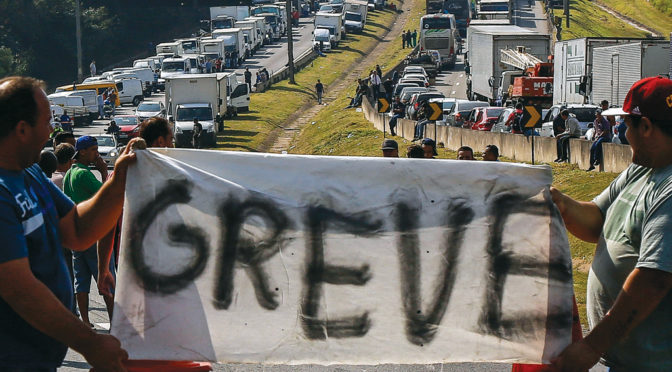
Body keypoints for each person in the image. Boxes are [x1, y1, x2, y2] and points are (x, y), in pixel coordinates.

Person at [0, 76, 129, 371]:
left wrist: (119, 180)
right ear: (21, 129)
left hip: (38, 360)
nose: (52, 133)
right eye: (47, 123)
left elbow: (78, 231)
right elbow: (19, 288)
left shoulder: (30, 173)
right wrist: (93, 344)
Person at [550, 76, 672, 372]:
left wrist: (592, 347)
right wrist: (561, 204)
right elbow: (597, 220)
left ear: (646, 127)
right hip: (625, 362)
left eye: (627, 125)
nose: (623, 133)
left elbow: (653, 280)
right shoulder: (642, 169)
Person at [97, 117, 174, 297]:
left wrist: (103, 269)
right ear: (160, 141)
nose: (172, 145)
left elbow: (106, 228)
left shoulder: (120, 173)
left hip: (132, 265)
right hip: (163, 267)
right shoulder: (171, 174)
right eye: (171, 140)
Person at [63, 135, 115, 327]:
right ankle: (115, 322)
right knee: (105, 278)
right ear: (82, 151)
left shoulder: (70, 172)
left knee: (81, 280)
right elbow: (107, 196)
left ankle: (85, 321)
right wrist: (103, 172)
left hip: (77, 236)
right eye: (93, 149)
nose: (97, 153)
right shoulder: (84, 173)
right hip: (93, 235)